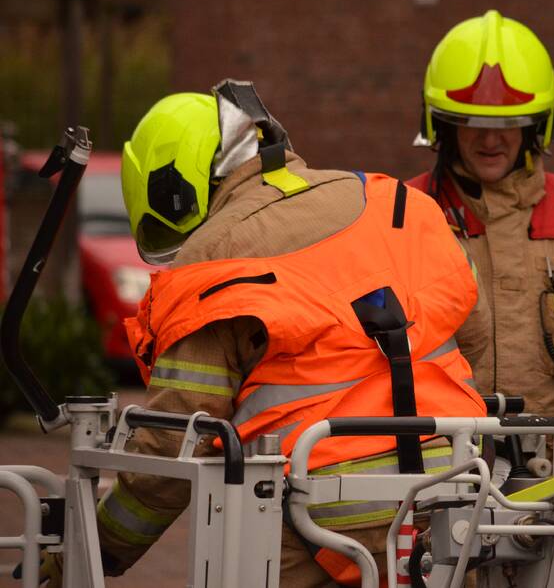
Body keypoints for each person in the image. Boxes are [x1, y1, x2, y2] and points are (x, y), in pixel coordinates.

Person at [95, 81, 485, 587]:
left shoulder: (212, 259)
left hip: (319, 513)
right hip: (456, 493)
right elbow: (472, 338)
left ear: (174, 187)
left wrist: (92, 549)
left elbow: (173, 444)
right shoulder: (393, 202)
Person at [407, 10, 554, 466]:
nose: (491, 139)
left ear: (535, 126)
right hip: (443, 471)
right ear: (444, 125)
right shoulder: (407, 215)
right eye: (473, 122)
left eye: (509, 123)